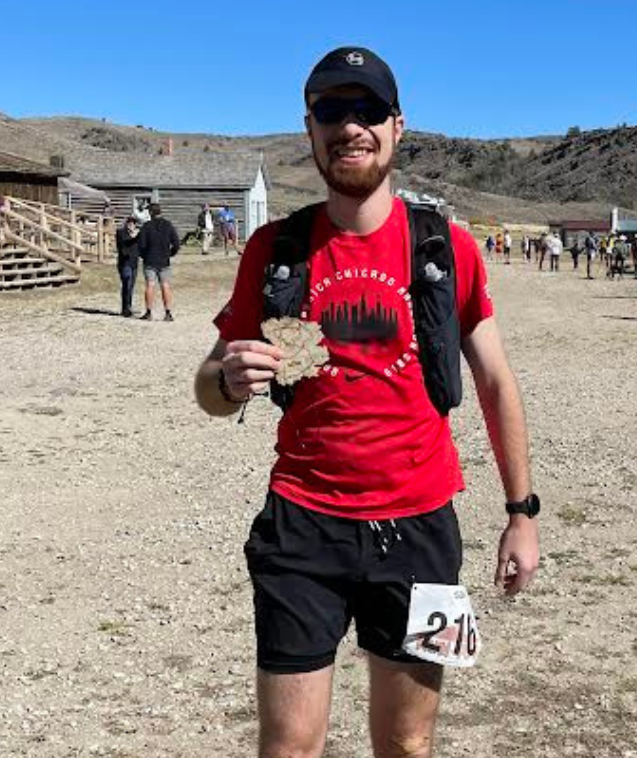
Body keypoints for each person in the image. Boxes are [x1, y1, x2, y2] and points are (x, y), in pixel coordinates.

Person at [193, 46, 539, 758]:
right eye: (331, 110)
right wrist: (225, 381)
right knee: (288, 747)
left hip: (419, 528)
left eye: (368, 110)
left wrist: (521, 515)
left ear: (397, 125)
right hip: (301, 528)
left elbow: (498, 381)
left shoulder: (447, 248)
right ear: (309, 128)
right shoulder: (273, 248)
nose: (351, 126)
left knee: (408, 744)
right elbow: (207, 388)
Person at [137, 203, 180, 321]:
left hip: (150, 260)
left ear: (151, 212)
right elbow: (176, 243)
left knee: (150, 285)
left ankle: (149, 312)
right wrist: (170, 254)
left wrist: (144, 256)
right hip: (164, 260)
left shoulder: (146, 226)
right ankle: (168, 312)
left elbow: (140, 245)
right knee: (165, 286)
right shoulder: (168, 225)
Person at [115, 216, 140, 317]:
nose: (131, 224)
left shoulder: (136, 234)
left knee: (131, 286)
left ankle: (128, 307)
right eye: (129, 222)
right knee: (127, 284)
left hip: (134, 263)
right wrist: (136, 237)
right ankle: (125, 309)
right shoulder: (121, 233)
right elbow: (125, 243)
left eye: (133, 223)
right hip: (125, 263)